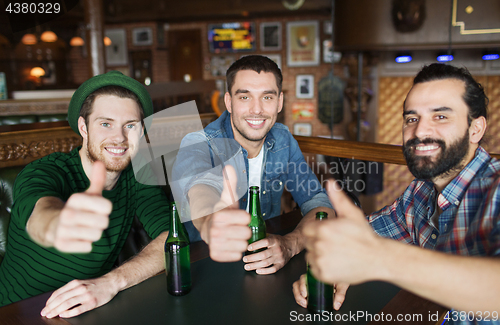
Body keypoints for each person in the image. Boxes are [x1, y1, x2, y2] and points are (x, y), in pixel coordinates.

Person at [293, 63, 500, 323]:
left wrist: (381, 258)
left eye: (441, 116)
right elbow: (365, 238)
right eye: (412, 119)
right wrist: (329, 267)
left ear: (476, 129)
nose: (420, 131)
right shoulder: (420, 191)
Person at [0, 71, 171, 318]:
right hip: (17, 313)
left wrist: (112, 282)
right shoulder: (46, 171)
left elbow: (172, 237)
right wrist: (57, 225)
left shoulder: (138, 175)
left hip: (87, 311)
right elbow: (40, 213)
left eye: (130, 126)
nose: (119, 138)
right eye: (105, 124)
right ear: (83, 127)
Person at [172, 55, 334, 274]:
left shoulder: (283, 140)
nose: (257, 109)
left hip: (267, 267)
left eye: (267, 97)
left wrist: (290, 244)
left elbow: (320, 205)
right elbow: (199, 187)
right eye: (245, 97)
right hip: (205, 267)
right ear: (229, 102)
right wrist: (210, 221)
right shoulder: (198, 143)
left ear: (280, 102)